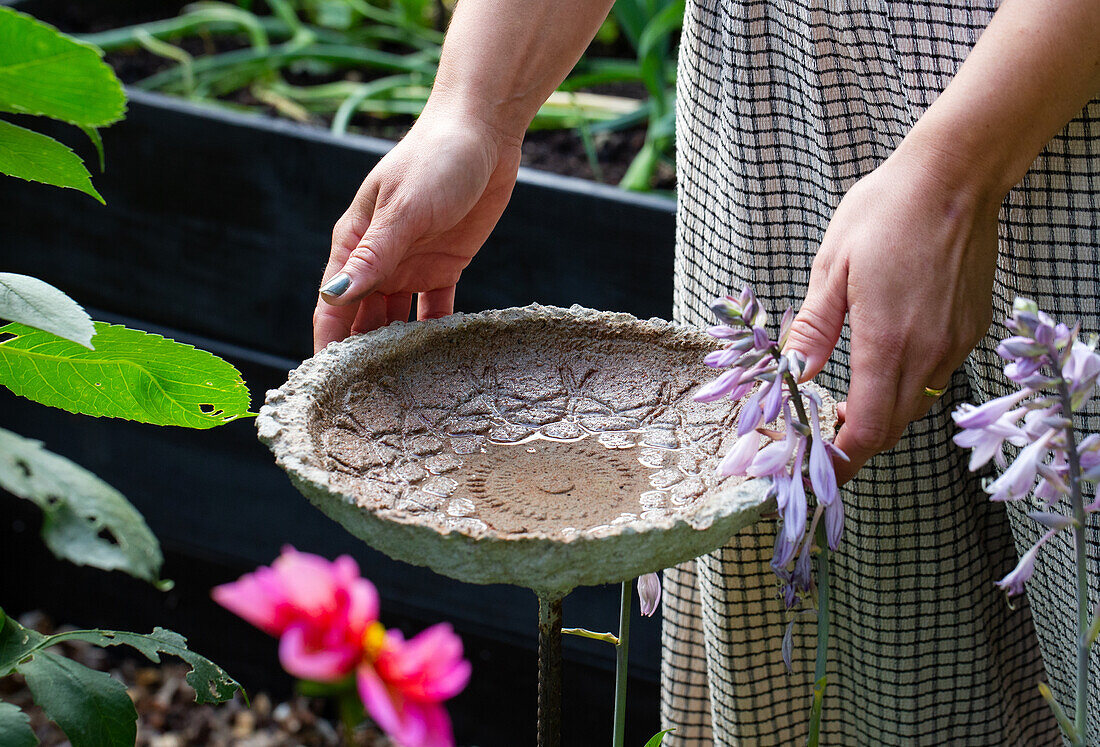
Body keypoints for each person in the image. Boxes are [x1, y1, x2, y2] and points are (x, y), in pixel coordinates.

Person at [312, 0, 1100, 743]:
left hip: (1063, 112)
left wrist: (955, 169)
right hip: (777, 116)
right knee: (853, 673)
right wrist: (474, 109)